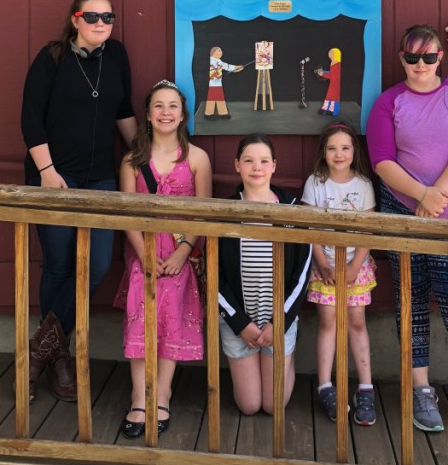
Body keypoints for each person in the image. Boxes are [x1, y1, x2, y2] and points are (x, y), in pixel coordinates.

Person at [366, 23, 448, 432]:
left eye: (428, 57)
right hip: (403, 207)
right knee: (411, 295)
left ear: (440, 57)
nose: (419, 64)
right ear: (401, 58)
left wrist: (437, 194)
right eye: (411, 57)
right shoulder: (388, 102)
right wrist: (420, 195)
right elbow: (382, 159)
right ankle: (420, 387)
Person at [21, 0, 137, 403]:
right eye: (93, 17)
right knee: (57, 264)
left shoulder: (116, 55)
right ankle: (59, 359)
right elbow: (30, 118)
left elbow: (123, 109)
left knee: (97, 263)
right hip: (55, 176)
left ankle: (35, 353)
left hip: (101, 176)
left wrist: (143, 155)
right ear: (75, 19)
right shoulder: (51, 58)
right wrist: (47, 173)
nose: (102, 24)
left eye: (108, 17)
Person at [115, 80, 212, 439]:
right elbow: (126, 213)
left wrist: (184, 251)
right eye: (159, 106)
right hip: (143, 252)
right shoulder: (133, 160)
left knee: (171, 316)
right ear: (148, 114)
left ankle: (164, 394)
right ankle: (139, 395)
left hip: (180, 254)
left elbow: (203, 212)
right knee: (141, 317)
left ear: (184, 114)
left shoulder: (197, 158)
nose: (166, 112)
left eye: (173, 106)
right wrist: (144, 255)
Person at [218, 134, 312, 414]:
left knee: (273, 406)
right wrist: (239, 322)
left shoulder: (292, 212)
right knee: (248, 405)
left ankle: (286, 353)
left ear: (274, 166)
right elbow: (214, 275)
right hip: (240, 320)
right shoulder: (225, 211)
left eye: (263, 161)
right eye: (248, 160)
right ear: (237, 165)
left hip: (278, 318)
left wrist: (279, 322)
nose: (256, 167)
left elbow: (302, 273)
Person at [302, 122, 377, 426]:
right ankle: (325, 386)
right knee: (328, 320)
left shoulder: (362, 185)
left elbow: (368, 228)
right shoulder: (316, 183)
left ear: (354, 151)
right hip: (326, 266)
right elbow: (309, 226)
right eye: (332, 148)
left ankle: (366, 387)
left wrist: (355, 266)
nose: (339, 153)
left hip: (354, 266)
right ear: (323, 151)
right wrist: (321, 263)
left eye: (345, 147)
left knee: (357, 320)